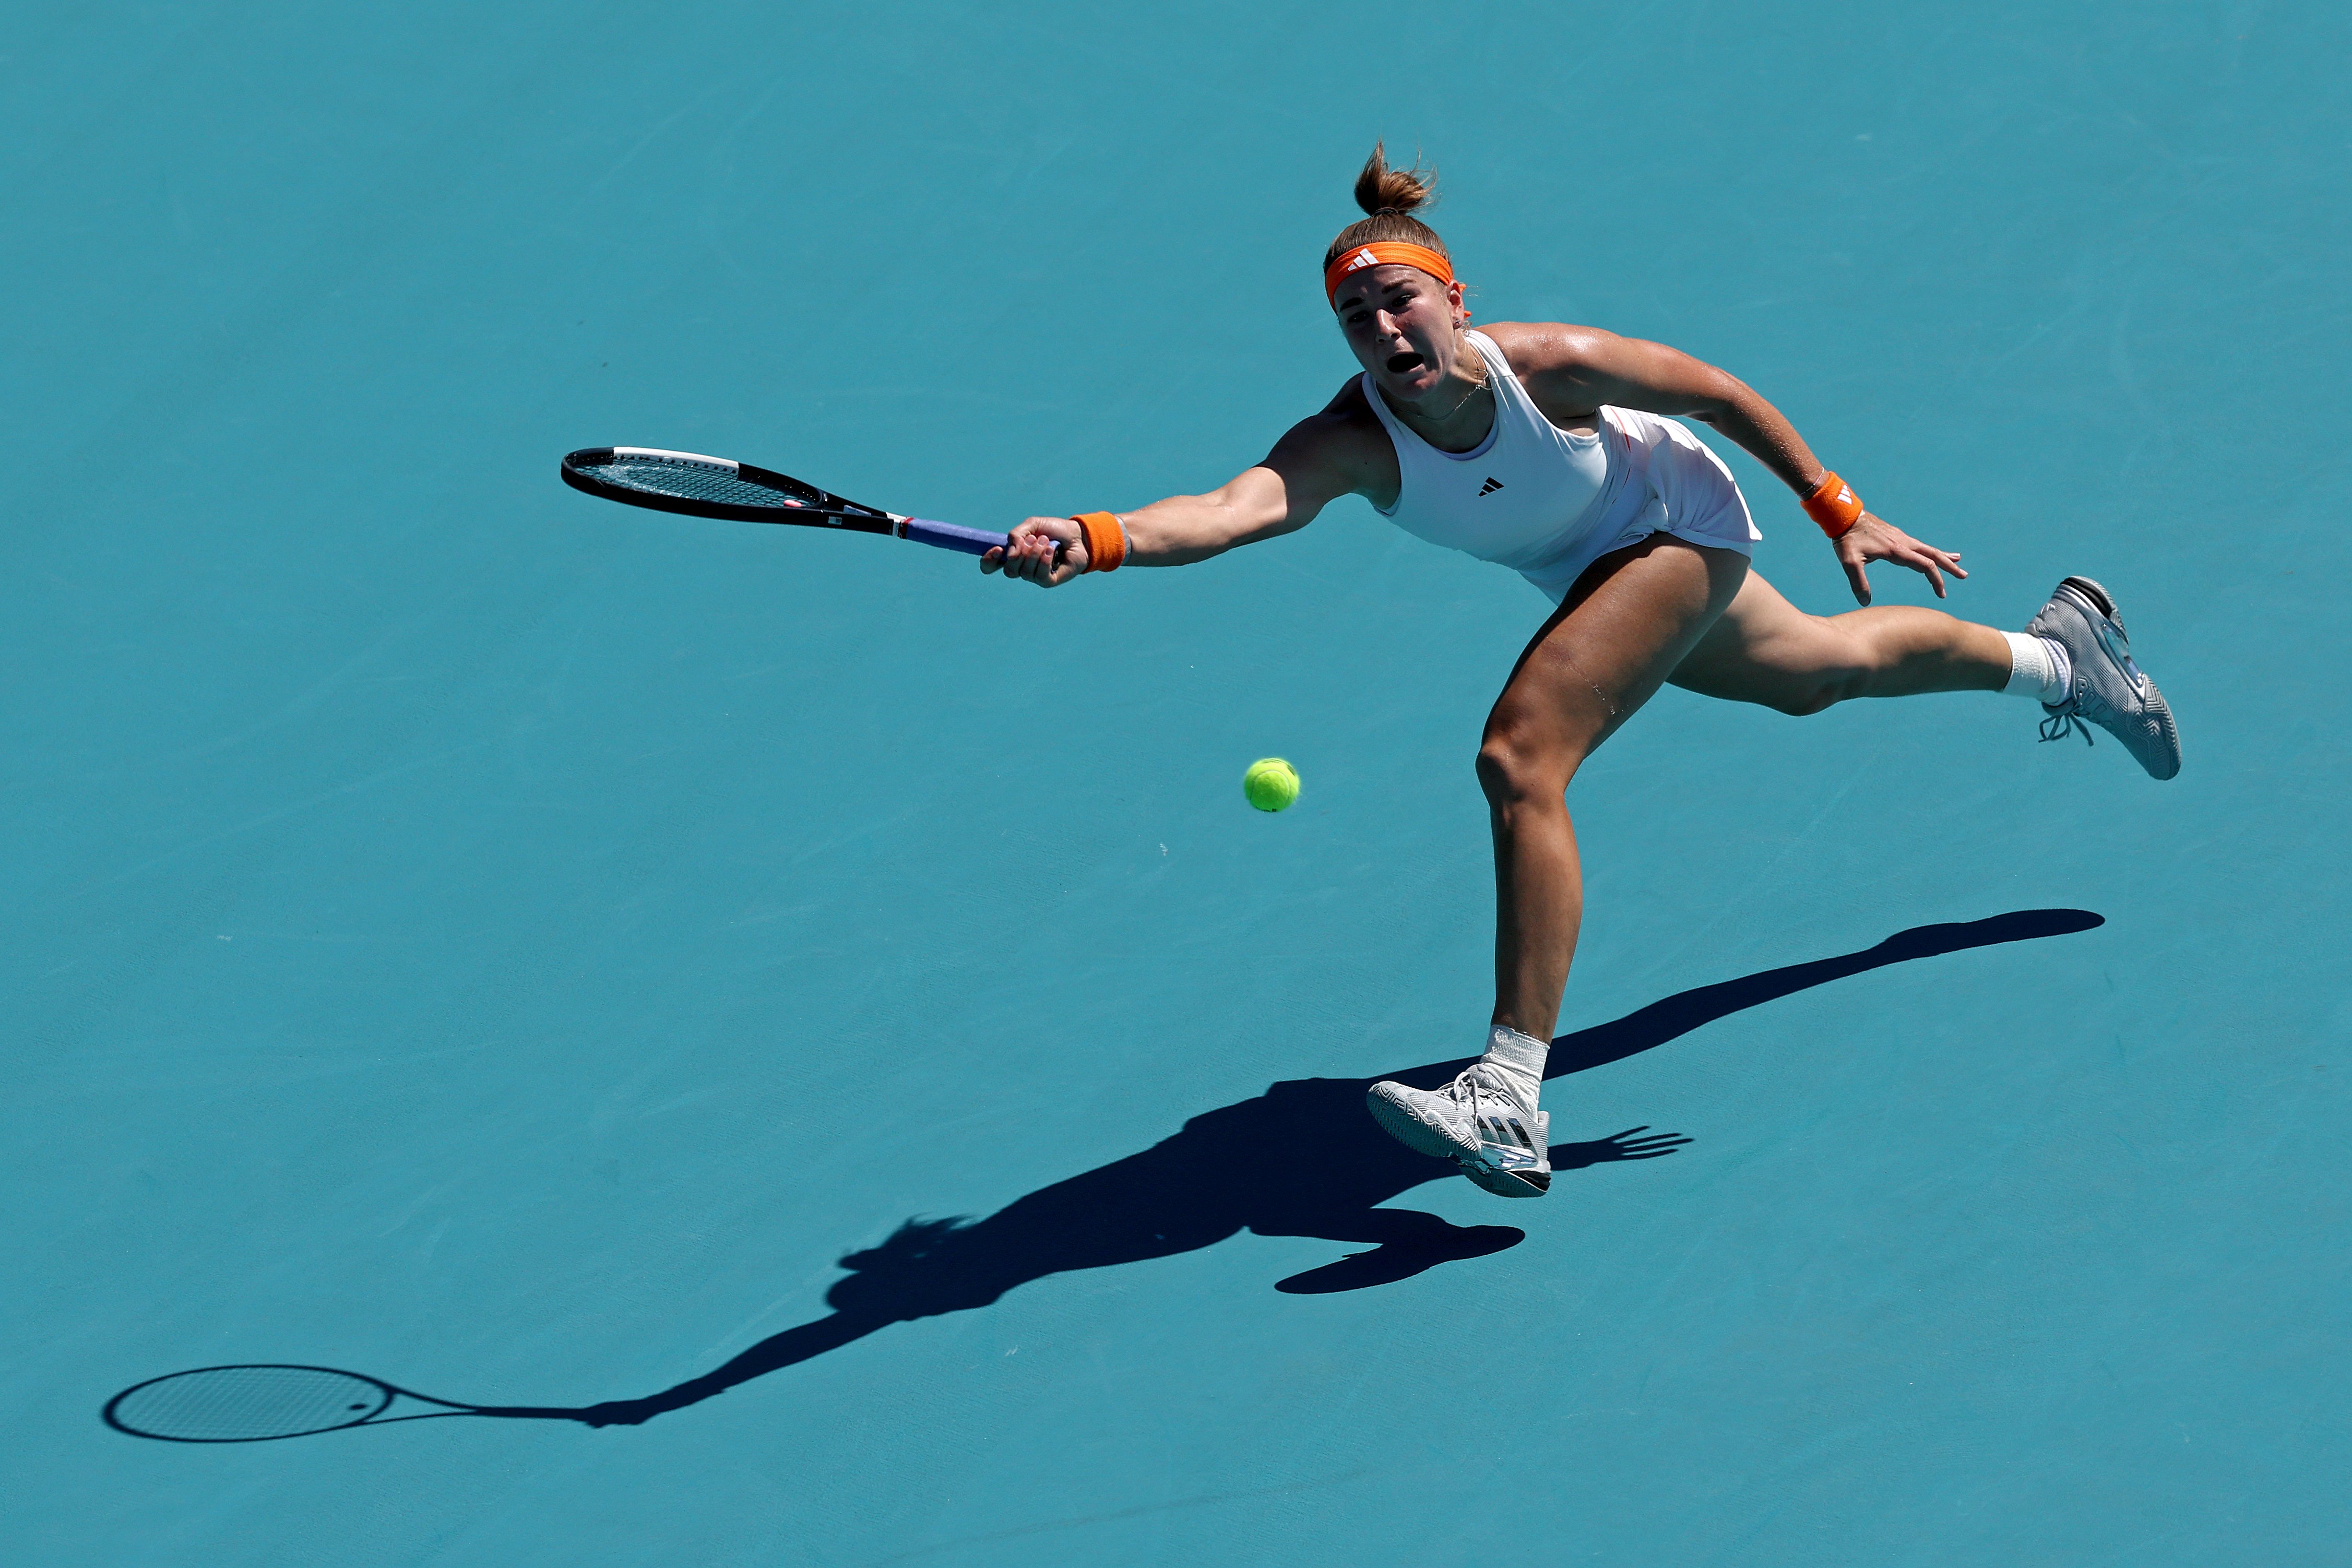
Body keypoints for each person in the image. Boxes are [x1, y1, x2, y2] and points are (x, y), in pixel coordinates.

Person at [981, 145, 2180, 1199]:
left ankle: (1509, 1089)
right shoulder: (1348, 443)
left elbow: (1707, 389)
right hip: (1591, 577)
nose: (1387, 335)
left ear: (1454, 301)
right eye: (1359, 323)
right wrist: (1092, 538)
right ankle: (2062, 655)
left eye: (1404, 304)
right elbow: (1230, 509)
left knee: (1521, 756)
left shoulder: (1541, 367)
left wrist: (1837, 506)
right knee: (1820, 669)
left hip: (1676, 526)